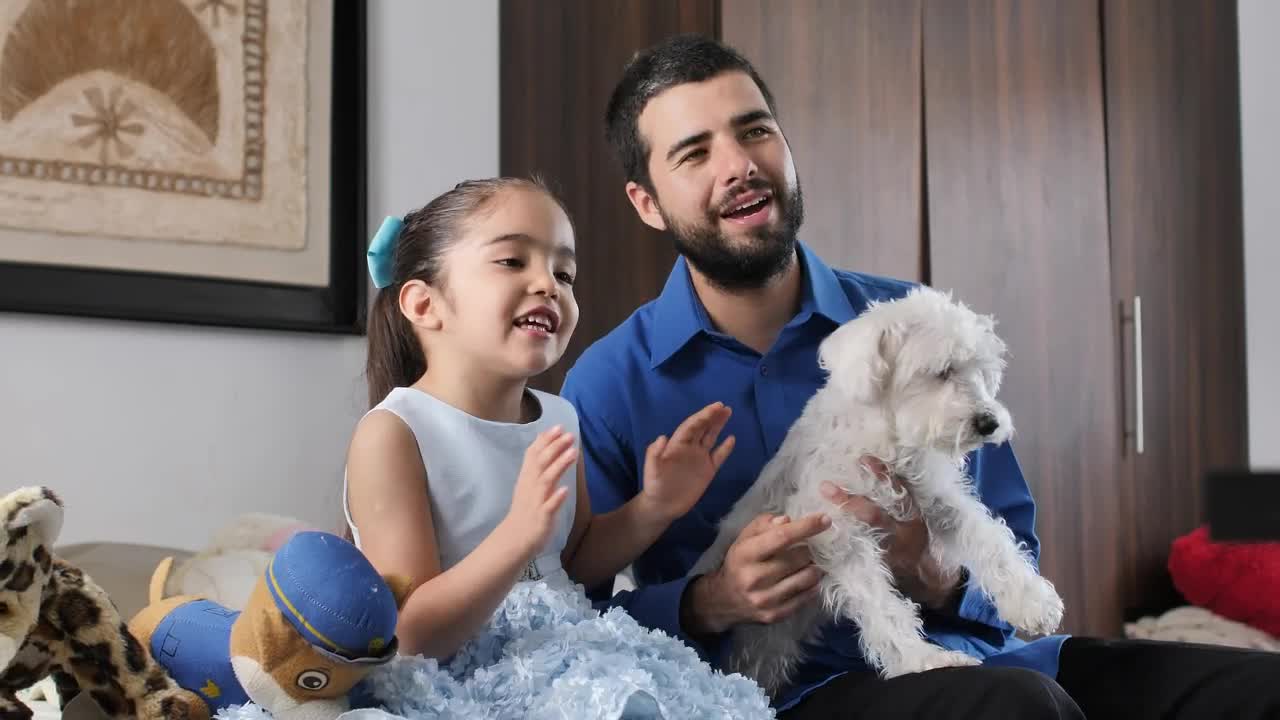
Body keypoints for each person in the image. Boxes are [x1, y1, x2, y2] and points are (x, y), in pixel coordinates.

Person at [560, 33, 1280, 719]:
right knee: (1018, 709)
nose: (739, 164)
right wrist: (705, 601)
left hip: (1000, 658)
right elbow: (570, 628)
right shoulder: (610, 383)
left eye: (756, 131)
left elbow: (1012, 542)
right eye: (695, 152)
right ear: (646, 203)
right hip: (805, 690)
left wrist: (939, 574)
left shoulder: (911, 322)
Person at [339, 176, 775, 717]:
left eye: (564, 273)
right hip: (458, 678)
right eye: (512, 261)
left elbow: (575, 562)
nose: (548, 284)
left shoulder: (558, 417)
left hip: (566, 652)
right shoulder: (395, 433)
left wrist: (653, 507)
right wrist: (516, 536)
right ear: (425, 304)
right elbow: (410, 634)